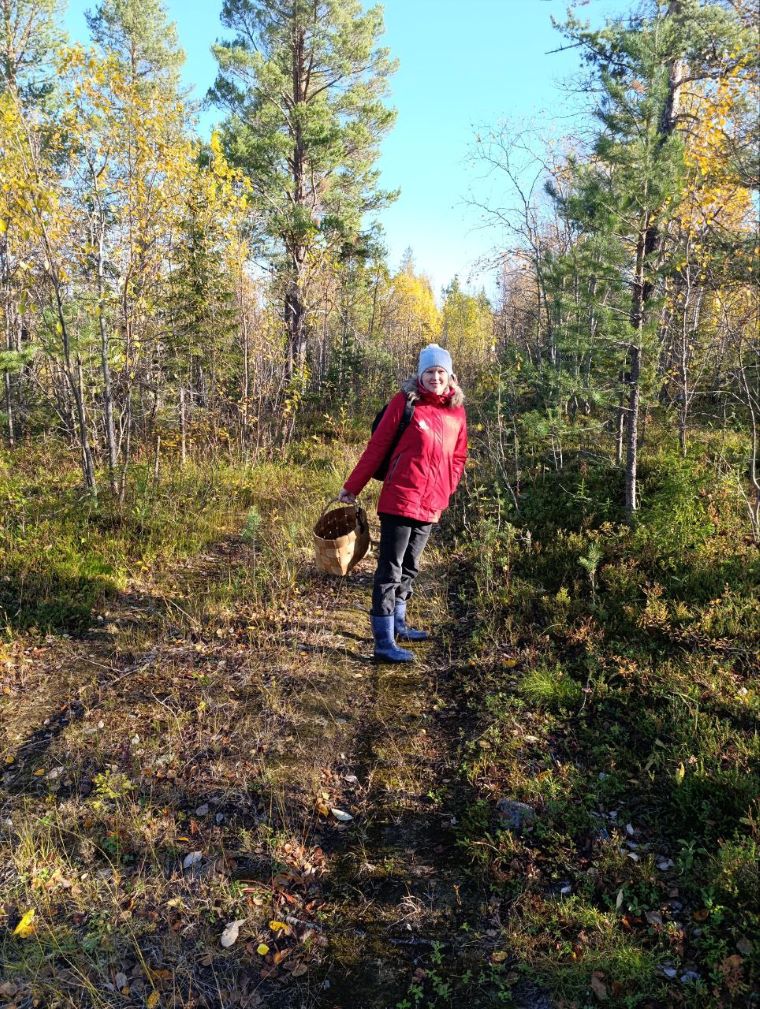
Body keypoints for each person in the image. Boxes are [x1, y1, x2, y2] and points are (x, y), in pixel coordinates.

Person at [338, 344, 467, 662]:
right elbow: (377, 447)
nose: (435, 377)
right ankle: (383, 643)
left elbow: (458, 456)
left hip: (432, 503)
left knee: (411, 566)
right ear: (420, 375)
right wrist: (352, 487)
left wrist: (447, 490)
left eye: (441, 372)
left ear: (449, 375)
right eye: (429, 371)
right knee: (390, 570)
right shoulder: (405, 403)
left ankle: (398, 624)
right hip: (400, 499)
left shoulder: (456, 411)